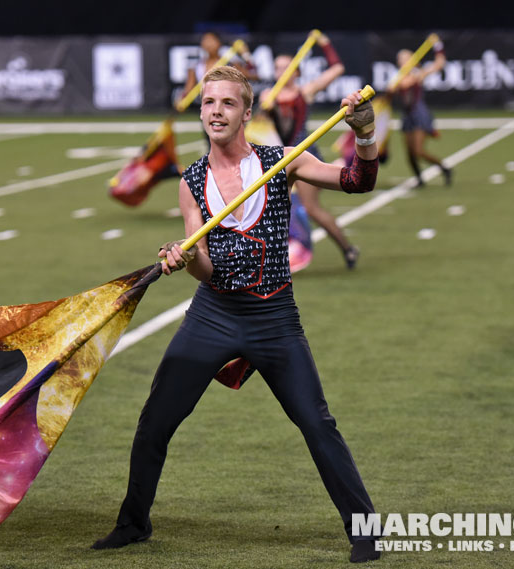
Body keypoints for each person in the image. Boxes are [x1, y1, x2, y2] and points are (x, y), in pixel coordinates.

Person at [92, 66, 381, 564]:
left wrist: (365, 133)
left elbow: (358, 181)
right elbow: (206, 269)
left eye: (227, 103)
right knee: (155, 420)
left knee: (316, 422)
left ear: (247, 113)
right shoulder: (191, 183)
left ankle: (365, 531)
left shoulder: (283, 161)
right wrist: (186, 257)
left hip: (274, 318)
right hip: (213, 315)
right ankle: (133, 523)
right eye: (208, 104)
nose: (216, 112)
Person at [260, 32, 360, 268]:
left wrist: (325, 44)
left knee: (312, 209)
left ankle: (347, 249)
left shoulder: (305, 92)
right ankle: (277, 261)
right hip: (279, 158)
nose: (282, 72)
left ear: (296, 72)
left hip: (305, 156)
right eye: (278, 68)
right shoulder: (267, 96)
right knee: (271, 212)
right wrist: (264, 111)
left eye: (287, 67)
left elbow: (337, 69)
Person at [389, 41, 451, 187]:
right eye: (400, 59)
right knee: (410, 155)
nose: (401, 62)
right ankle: (420, 180)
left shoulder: (418, 74)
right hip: (407, 116)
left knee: (418, 151)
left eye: (404, 59)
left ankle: (444, 168)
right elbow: (390, 91)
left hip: (419, 114)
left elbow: (439, 64)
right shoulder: (397, 78)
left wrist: (438, 46)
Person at [179, 31, 256, 106]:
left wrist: (246, 56)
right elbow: (189, 88)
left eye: (212, 40)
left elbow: (249, 76)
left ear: (219, 43)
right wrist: (183, 99)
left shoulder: (229, 63)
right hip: (205, 102)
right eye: (205, 40)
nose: (209, 44)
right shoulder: (196, 66)